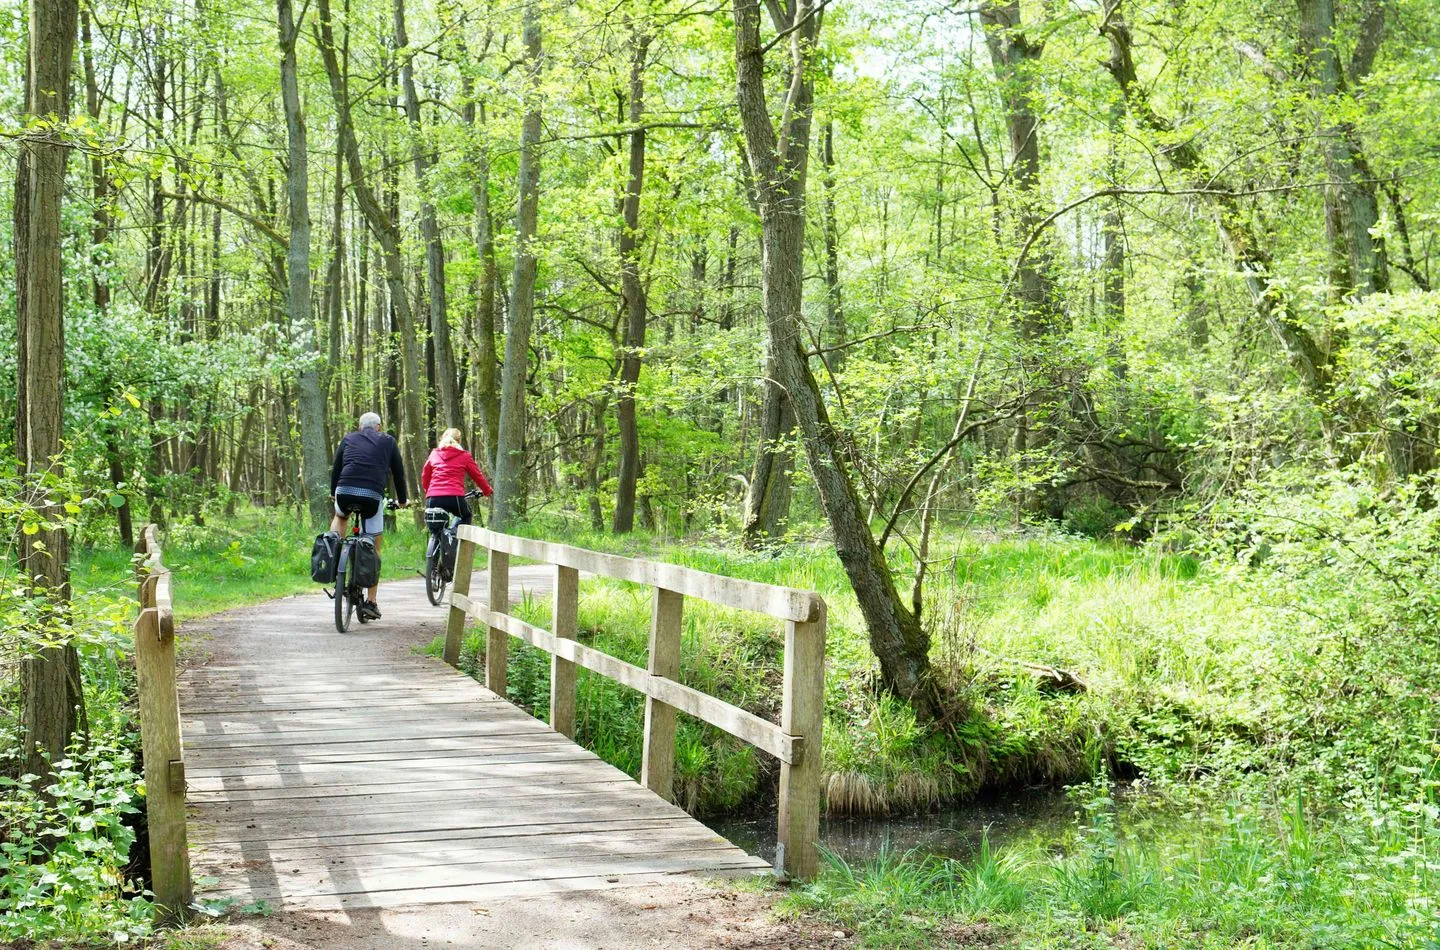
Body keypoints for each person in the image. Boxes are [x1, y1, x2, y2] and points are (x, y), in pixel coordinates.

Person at [330, 412, 408, 619]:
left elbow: (336, 469)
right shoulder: (388, 441)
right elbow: (398, 473)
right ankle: (371, 602)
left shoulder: (348, 438)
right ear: (379, 427)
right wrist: (402, 500)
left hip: (344, 491)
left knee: (341, 516)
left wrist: (333, 493)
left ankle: (334, 555)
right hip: (371, 496)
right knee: (375, 546)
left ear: (359, 426)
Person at [421, 428, 493, 526]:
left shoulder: (434, 454)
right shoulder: (464, 456)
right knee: (466, 515)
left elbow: (425, 475)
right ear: (459, 441)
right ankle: (457, 537)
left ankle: (437, 538)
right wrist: (487, 490)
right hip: (454, 497)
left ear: (442, 439)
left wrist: (428, 491)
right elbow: (477, 476)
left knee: (435, 523)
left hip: (433, 497)